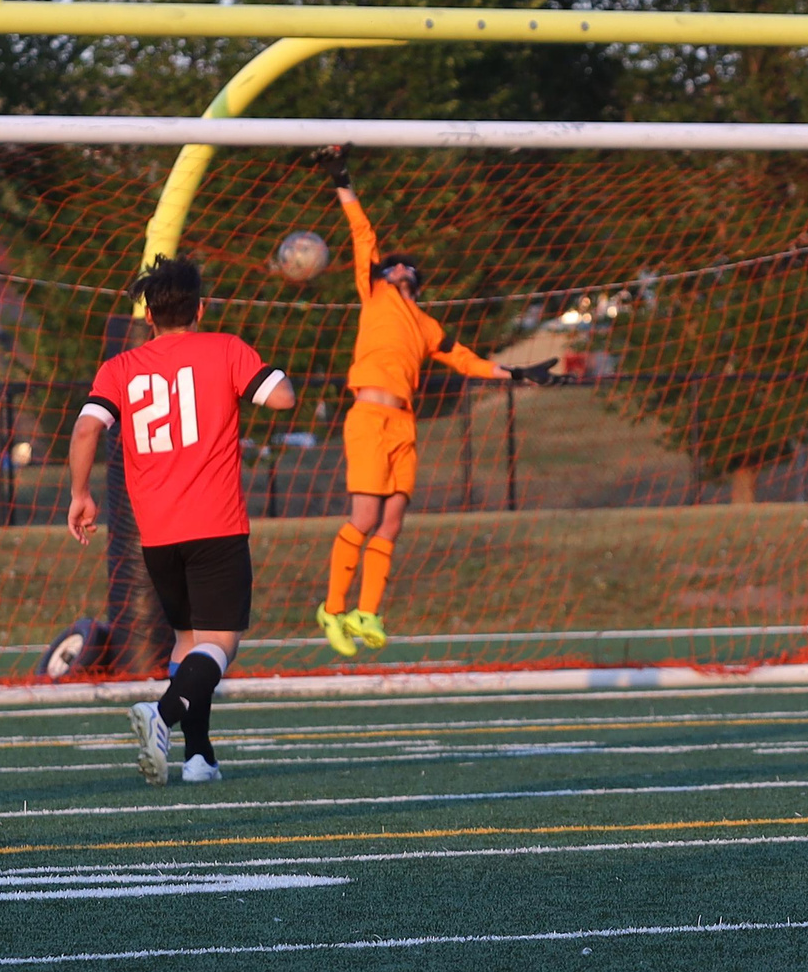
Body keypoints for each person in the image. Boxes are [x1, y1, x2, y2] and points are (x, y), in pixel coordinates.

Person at [312, 148, 552, 655]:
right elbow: (363, 235)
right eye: (391, 267)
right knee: (363, 518)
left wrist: (517, 373)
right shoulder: (373, 295)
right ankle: (332, 608)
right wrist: (342, 180)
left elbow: (466, 360)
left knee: (392, 521)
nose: (395, 271)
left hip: (403, 424)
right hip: (369, 418)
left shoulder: (425, 326)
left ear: (414, 281)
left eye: (404, 270)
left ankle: (367, 612)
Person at [67, 256, 296, 785]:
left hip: (158, 533)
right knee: (221, 642)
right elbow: (282, 398)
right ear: (202, 307)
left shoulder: (119, 367)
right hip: (216, 524)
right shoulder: (226, 348)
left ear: (148, 315)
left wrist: (81, 494)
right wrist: (269, 371)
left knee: (187, 641)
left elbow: (84, 432)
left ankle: (199, 758)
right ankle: (161, 714)